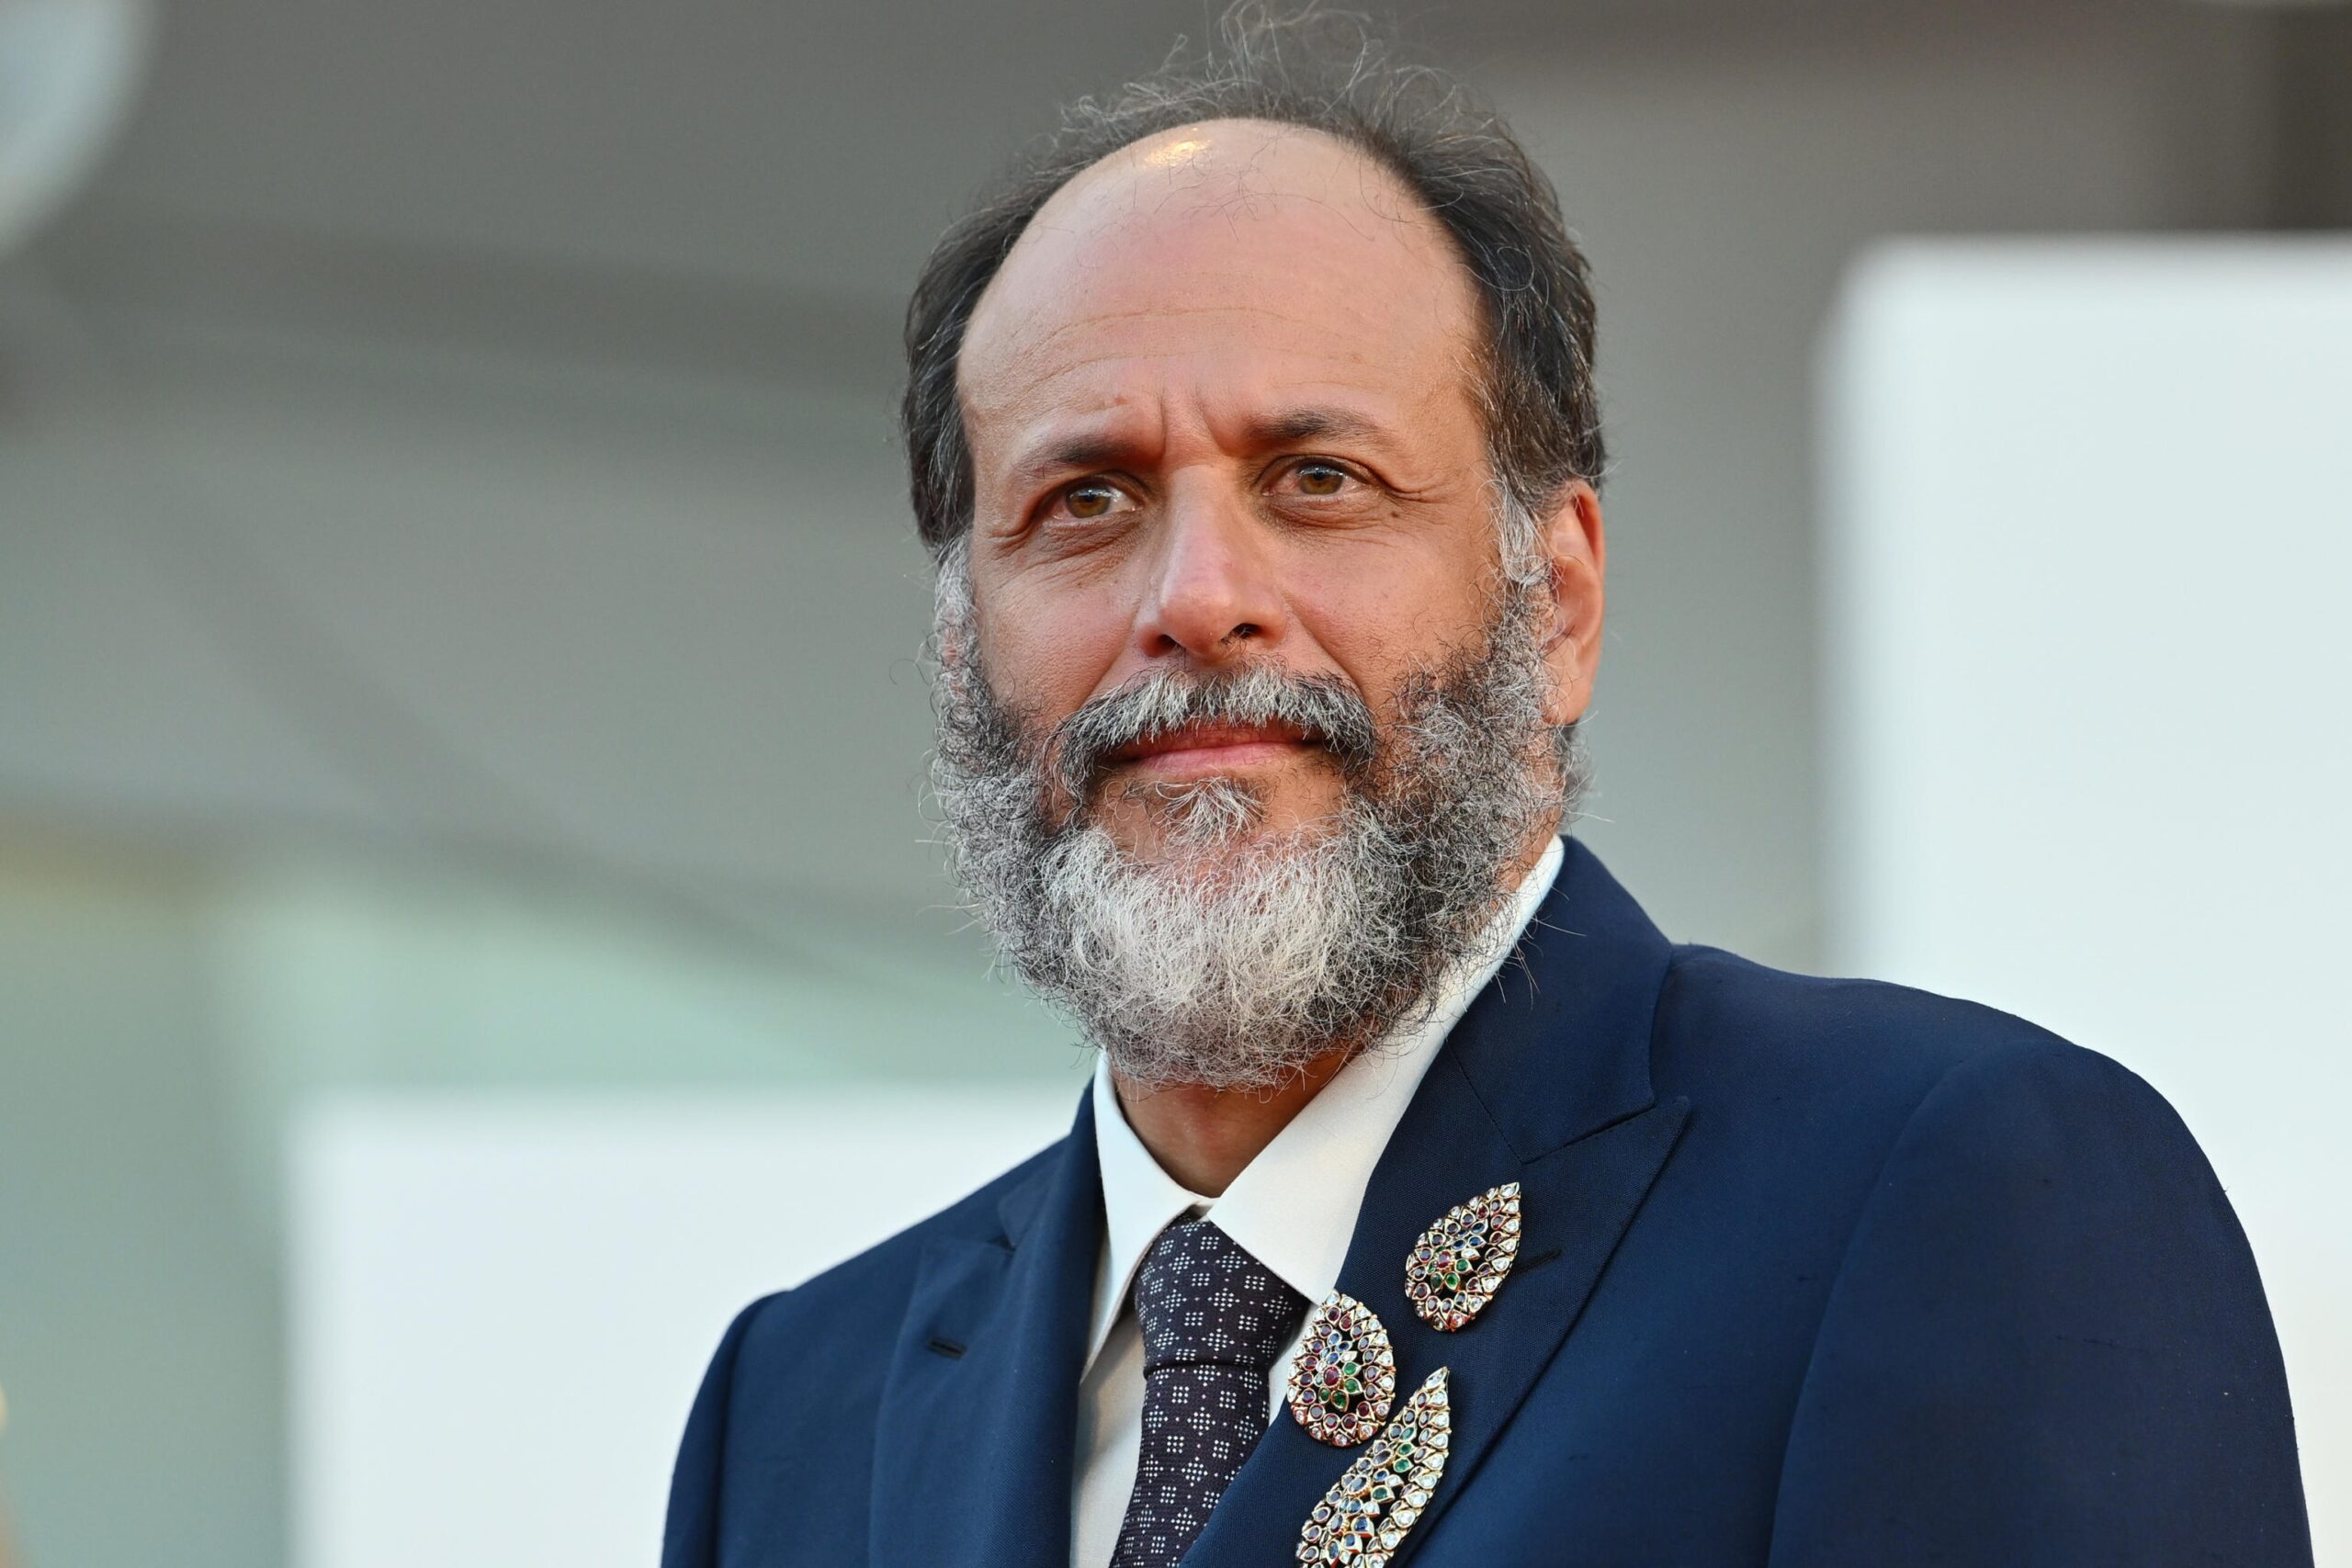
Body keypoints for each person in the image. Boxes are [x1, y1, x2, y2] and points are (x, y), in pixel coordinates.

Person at [661, 11, 2311, 1566]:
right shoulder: (799, 1409)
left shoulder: (1948, 1198)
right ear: (963, 645)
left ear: (1560, 600)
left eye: (1319, 479)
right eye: (1084, 500)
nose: (1195, 595)